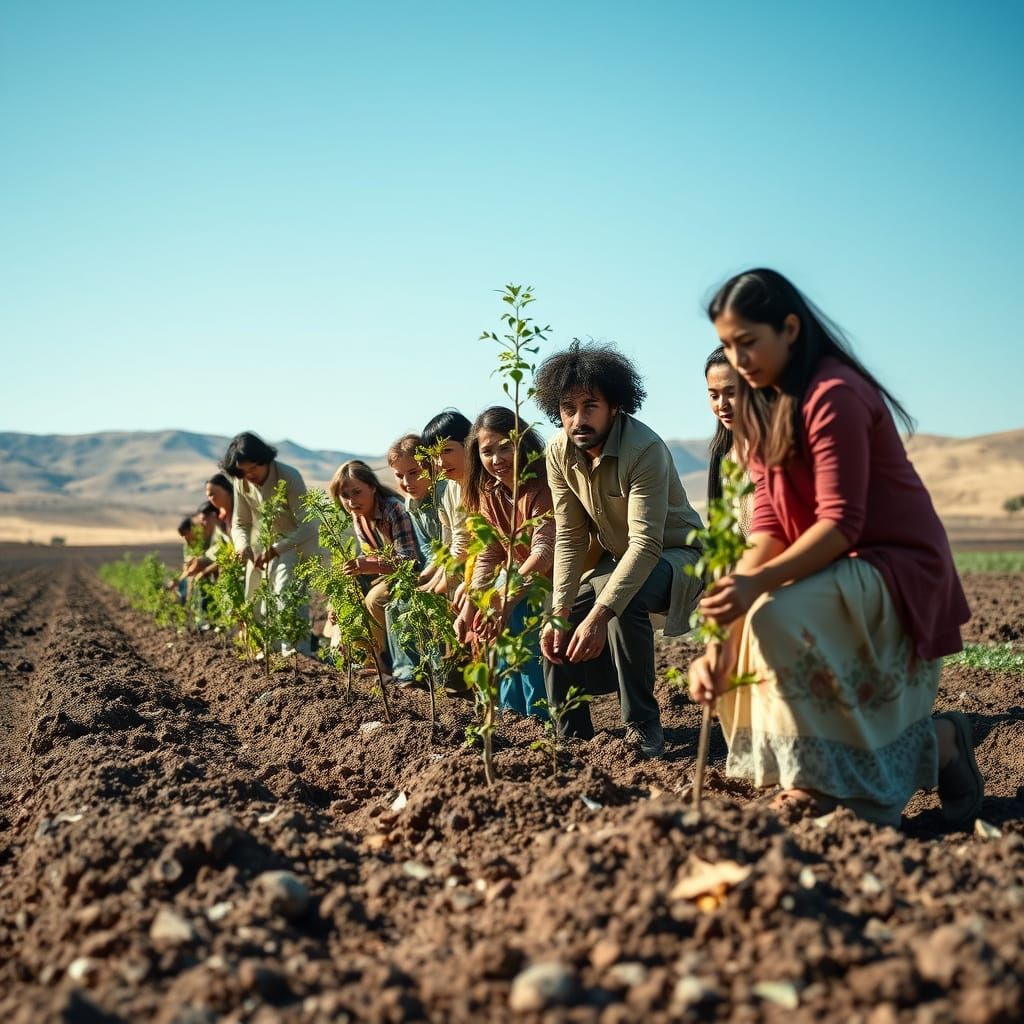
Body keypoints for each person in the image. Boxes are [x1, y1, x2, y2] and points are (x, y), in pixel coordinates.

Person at [687, 268, 980, 827]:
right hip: (835, 565)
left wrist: (756, 587)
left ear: (790, 329)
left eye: (748, 342)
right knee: (752, 616)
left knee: (776, 613)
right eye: (728, 345)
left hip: (894, 564)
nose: (739, 359)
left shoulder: (833, 395)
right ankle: (934, 746)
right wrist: (724, 628)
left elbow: (842, 524)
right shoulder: (763, 407)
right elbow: (768, 526)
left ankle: (828, 790)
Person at [536, 341, 704, 757]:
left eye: (590, 406)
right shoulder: (557, 452)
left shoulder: (644, 449)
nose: (578, 419)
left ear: (615, 406)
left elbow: (646, 543)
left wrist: (600, 615)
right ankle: (569, 734)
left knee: (621, 603)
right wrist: (561, 610)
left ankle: (643, 727)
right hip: (618, 561)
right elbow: (570, 536)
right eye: (568, 408)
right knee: (558, 617)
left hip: (677, 557)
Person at [458, 406, 554, 719]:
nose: (497, 459)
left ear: (522, 443)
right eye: (487, 452)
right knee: (492, 630)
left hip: (554, 578)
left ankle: (539, 718)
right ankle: (512, 716)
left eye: (505, 447)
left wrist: (506, 598)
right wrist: (474, 604)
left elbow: (544, 551)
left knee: (522, 624)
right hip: (521, 578)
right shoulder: (492, 492)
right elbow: (488, 554)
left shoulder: (542, 484)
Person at [221, 432, 316, 654]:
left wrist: (276, 550)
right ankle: (269, 654)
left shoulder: (289, 476)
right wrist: (242, 546)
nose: (249, 475)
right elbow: (240, 522)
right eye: (243, 471)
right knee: (255, 599)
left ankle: (296, 655)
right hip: (261, 546)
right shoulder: (240, 482)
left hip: (295, 543)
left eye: (254, 468)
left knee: (286, 596)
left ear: (265, 459)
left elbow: (308, 525)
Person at [328, 460, 422, 669]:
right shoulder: (359, 517)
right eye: (345, 496)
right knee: (345, 597)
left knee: (375, 599)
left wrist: (369, 565)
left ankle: (387, 663)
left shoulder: (393, 509)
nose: (351, 501)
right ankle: (367, 660)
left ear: (372, 487)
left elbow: (409, 561)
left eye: (357, 492)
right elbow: (368, 557)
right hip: (386, 574)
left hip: (412, 575)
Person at [385, 434, 446, 684]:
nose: (407, 482)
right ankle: (408, 672)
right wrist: (422, 577)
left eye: (414, 472)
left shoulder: (442, 493)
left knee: (429, 604)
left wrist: (429, 580)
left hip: (455, 566)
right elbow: (427, 548)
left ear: (429, 466)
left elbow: (450, 546)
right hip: (435, 567)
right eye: (399, 476)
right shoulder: (411, 502)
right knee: (396, 606)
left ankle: (441, 676)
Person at [419, 410, 473, 601]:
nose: (440, 462)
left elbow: (464, 545)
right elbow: (449, 543)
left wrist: (438, 587)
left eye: (447, 450)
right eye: (434, 455)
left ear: (468, 444)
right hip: (461, 571)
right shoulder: (450, 489)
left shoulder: (480, 484)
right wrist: (431, 583)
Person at [705, 346, 753, 536]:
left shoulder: (775, 451)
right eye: (714, 396)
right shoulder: (722, 457)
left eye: (731, 392)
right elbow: (718, 530)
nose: (722, 404)